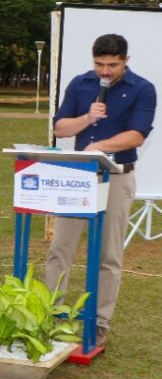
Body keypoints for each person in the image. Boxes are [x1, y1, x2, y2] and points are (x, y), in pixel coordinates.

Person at [44, 34, 155, 349]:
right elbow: (60, 128)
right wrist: (86, 118)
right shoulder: (80, 84)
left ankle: (100, 322)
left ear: (125, 61)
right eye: (99, 64)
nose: (105, 71)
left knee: (109, 255)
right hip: (78, 177)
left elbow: (136, 136)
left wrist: (98, 147)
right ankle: (51, 314)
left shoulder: (143, 89)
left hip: (117, 176)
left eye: (112, 65)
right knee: (60, 249)